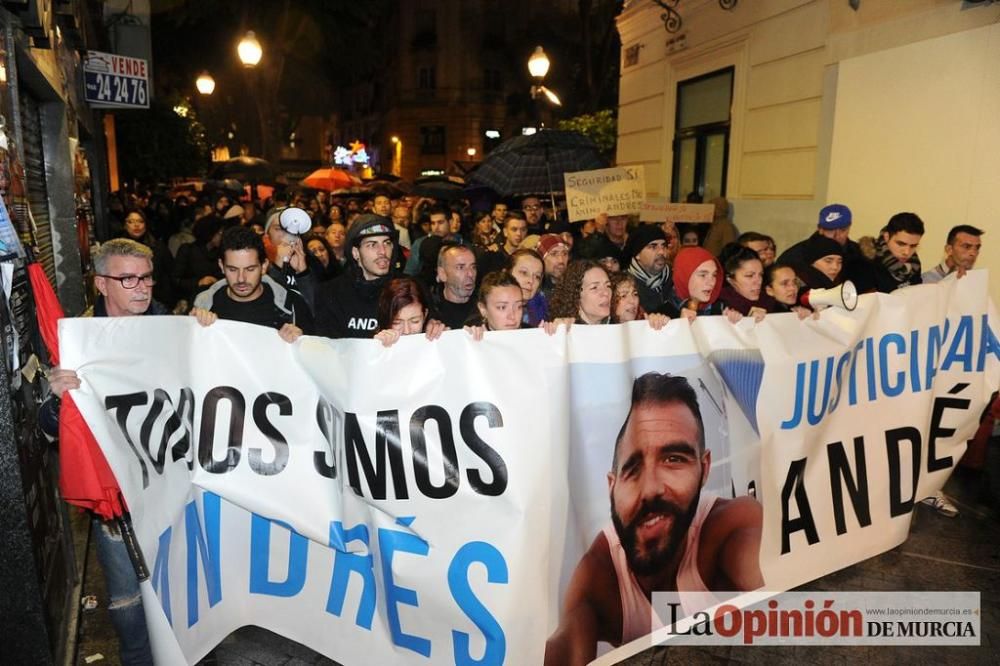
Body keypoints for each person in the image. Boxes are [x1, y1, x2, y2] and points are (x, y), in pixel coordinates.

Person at [545, 373, 763, 663]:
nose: (650, 489)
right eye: (632, 469)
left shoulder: (730, 525)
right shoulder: (600, 574)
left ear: (704, 467)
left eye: (673, 459)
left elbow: (771, 574)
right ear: (612, 486)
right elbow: (565, 646)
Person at [42, 239, 166, 665]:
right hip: (115, 505)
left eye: (146, 277)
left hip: (167, 489)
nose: (141, 287)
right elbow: (45, 428)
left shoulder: (171, 328)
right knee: (128, 600)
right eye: (127, 278)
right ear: (101, 284)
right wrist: (59, 398)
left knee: (176, 588)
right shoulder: (78, 341)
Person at [190, 225, 313, 339]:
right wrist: (193, 328)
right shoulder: (204, 305)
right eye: (232, 269)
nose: (241, 279)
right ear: (221, 266)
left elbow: (314, 353)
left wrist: (300, 340)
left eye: (250, 269)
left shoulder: (291, 305)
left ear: (264, 266)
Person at [316, 214, 398, 338]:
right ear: (355, 253)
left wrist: (433, 323)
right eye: (372, 244)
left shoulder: (409, 288)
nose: (382, 251)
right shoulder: (330, 293)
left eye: (387, 243)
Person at [778, 203, 871, 291]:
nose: (837, 236)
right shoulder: (793, 258)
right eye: (831, 230)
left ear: (849, 228)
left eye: (842, 230)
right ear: (820, 229)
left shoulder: (858, 254)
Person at [120, 209, 176, 308]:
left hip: (157, 303)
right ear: (125, 225)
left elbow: (171, 275)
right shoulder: (117, 250)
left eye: (140, 221)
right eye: (131, 221)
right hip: (127, 302)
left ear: (146, 225)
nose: (136, 225)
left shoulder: (159, 248)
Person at [372, 277, 446, 347]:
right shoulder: (377, 344)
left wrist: (445, 338)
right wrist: (377, 347)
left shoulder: (433, 335)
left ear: (425, 315)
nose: (407, 331)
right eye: (397, 323)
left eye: (415, 321)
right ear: (386, 318)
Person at [861, 211, 925, 293]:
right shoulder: (866, 263)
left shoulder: (914, 263)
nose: (907, 252)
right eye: (901, 244)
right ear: (886, 237)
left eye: (913, 246)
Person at [624, 224, 675, 315]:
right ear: (637, 254)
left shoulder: (675, 277)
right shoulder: (626, 285)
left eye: (663, 246)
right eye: (653, 247)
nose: (661, 252)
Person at [666, 247, 726, 320]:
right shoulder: (662, 317)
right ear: (683, 276)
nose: (712, 283)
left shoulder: (722, 310)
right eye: (703, 275)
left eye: (714, 275)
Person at [548, 260, 613, 325]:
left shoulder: (618, 327)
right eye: (594, 287)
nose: (606, 293)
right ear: (575, 295)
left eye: (608, 286)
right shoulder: (562, 329)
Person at [464, 271, 527, 336]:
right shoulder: (472, 335)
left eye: (519, 307)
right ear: (483, 309)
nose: (512, 316)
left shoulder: (530, 334)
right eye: (502, 307)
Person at [717, 243, 771, 319]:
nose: (758, 281)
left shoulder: (769, 301)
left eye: (760, 275)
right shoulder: (718, 306)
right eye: (749, 276)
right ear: (730, 279)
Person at [431, 244, 479, 329]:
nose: (470, 274)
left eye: (473, 267)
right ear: (443, 274)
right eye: (460, 267)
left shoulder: (485, 307)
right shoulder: (430, 311)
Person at [405, 205, 453, 275]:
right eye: (433, 223)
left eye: (440, 222)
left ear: (450, 222)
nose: (436, 227)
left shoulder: (460, 242)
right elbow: (409, 273)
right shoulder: (420, 243)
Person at [509, 248, 548, 326]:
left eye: (537, 276)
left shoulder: (545, 315)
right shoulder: (488, 311)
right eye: (524, 273)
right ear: (507, 273)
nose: (531, 280)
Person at [537, 233, 571, 299]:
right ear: (542, 259)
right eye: (554, 254)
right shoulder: (533, 289)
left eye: (564, 253)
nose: (561, 260)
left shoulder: (574, 285)